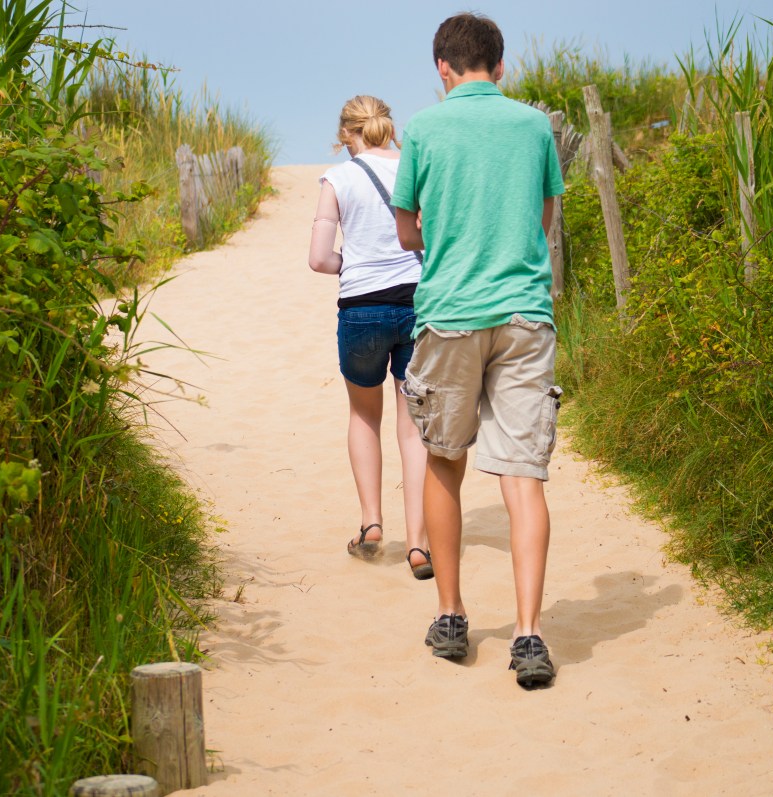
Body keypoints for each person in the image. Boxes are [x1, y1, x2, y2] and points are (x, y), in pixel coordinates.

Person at [391, 13, 565, 687]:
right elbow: (544, 219)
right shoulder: (533, 126)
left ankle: (451, 614)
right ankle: (528, 633)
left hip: (451, 314)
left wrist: (443, 236)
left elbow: (408, 232)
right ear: (500, 64)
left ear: (443, 67)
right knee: (523, 475)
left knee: (444, 460)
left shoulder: (424, 129)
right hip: (525, 314)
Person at [308, 95, 433, 581]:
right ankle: (419, 543)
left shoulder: (337, 179)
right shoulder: (412, 169)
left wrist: (354, 264)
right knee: (413, 424)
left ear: (346, 134)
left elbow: (319, 259)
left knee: (364, 414)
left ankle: (371, 523)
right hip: (417, 302)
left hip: (361, 308)